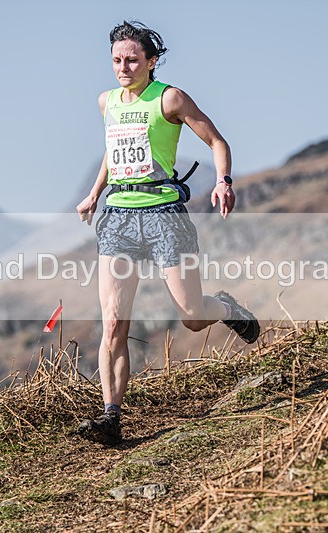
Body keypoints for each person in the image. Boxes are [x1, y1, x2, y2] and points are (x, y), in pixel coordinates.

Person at [75, 21, 259, 445]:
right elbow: (113, 150)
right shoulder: (106, 102)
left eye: (132, 60)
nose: (123, 68)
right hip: (118, 218)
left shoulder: (169, 98)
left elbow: (217, 141)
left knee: (192, 316)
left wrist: (224, 181)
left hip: (164, 216)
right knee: (113, 322)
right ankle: (111, 416)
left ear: (151, 61)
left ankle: (226, 308)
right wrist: (94, 193)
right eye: (117, 60)